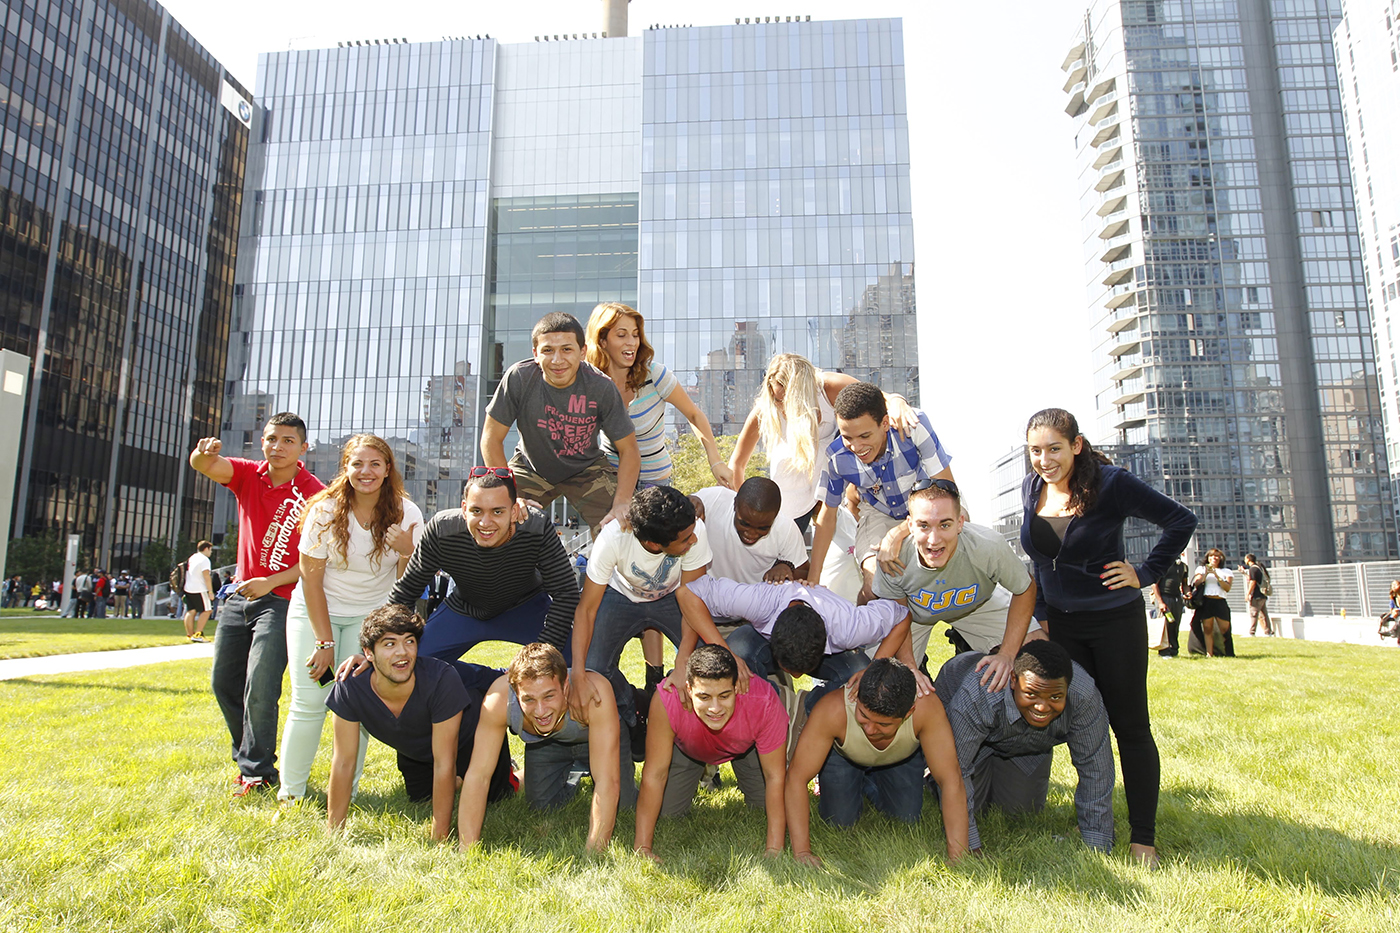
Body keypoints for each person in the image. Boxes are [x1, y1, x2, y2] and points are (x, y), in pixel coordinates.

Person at [1020, 408, 1197, 867]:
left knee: (1130, 728)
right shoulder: (1032, 487)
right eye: (1036, 450)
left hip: (1113, 622)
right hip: (1062, 627)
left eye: (1054, 448)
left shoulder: (1111, 483)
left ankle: (1144, 839)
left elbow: (1180, 521)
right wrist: (1041, 617)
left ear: (1076, 445)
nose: (1044, 459)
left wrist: (1143, 573)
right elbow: (1040, 564)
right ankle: (1093, 827)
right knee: (1083, 728)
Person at [277, 434, 423, 804]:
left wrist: (406, 552)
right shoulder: (324, 511)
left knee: (354, 705)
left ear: (388, 469)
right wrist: (323, 643)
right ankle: (290, 794)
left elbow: (407, 586)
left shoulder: (408, 514)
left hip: (366, 623)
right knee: (310, 701)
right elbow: (310, 579)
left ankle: (347, 792)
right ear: (346, 468)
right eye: (357, 463)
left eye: (375, 463)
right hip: (316, 616)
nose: (366, 471)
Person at [190, 413, 325, 796]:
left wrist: (270, 581)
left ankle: (257, 771)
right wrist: (203, 453)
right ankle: (247, 755)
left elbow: (316, 560)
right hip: (238, 597)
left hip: (281, 600)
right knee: (224, 683)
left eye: (287, 441)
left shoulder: (314, 493)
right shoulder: (250, 474)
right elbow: (205, 465)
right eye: (271, 439)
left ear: (303, 448)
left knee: (261, 686)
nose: (277, 447)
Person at [569, 485, 750, 733]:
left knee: (704, 664)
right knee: (595, 667)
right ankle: (634, 711)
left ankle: (686, 731)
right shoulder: (613, 537)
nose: (694, 539)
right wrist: (578, 675)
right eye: (685, 539)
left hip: (674, 598)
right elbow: (586, 610)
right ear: (654, 543)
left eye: (692, 533)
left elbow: (692, 599)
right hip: (622, 596)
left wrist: (682, 659)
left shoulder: (693, 528)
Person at [325, 605, 513, 839]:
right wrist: (334, 833)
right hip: (417, 750)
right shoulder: (351, 686)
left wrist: (439, 836)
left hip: (470, 741)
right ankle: (457, 782)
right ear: (368, 653)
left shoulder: (441, 678)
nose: (402, 652)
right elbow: (343, 762)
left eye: (409, 642)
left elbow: (445, 762)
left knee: (500, 794)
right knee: (420, 797)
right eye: (389, 644)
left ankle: (514, 772)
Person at [380, 467, 579, 664]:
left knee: (571, 664)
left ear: (514, 511)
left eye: (497, 512)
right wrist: (382, 645)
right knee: (413, 662)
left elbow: (566, 592)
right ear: (464, 509)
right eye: (477, 511)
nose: (485, 523)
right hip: (465, 609)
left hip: (526, 607)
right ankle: (484, 681)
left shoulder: (535, 527)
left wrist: (540, 659)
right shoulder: (443, 529)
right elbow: (406, 590)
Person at [933, 640, 1115, 854]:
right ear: (1013, 680)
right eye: (1031, 694)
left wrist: (1097, 843)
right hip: (970, 742)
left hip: (1030, 746)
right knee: (968, 807)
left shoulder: (1083, 696)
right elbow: (956, 769)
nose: (1041, 706)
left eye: (1055, 697)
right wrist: (969, 846)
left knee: (1019, 813)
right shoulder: (981, 691)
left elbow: (1096, 767)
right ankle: (930, 775)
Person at [785, 658, 969, 866]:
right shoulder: (832, 709)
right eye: (863, 716)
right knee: (839, 821)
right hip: (843, 755)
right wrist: (801, 852)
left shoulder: (926, 708)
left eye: (883, 724)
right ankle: (851, 775)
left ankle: (869, 779)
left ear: (908, 713)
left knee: (906, 818)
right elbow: (797, 778)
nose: (870, 730)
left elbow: (951, 780)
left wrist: (958, 856)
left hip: (900, 758)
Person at [872, 479, 1040, 691]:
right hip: (914, 617)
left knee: (1037, 650)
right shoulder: (895, 558)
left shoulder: (988, 546)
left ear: (960, 523)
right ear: (910, 525)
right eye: (924, 525)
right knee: (888, 684)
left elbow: (1025, 588)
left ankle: (966, 643)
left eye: (945, 525)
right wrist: (909, 666)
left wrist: (1007, 654)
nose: (934, 540)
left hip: (978, 605)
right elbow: (897, 614)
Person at [481, 311, 640, 535]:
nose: (557, 360)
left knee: (624, 526)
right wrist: (511, 496)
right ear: (536, 353)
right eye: (548, 350)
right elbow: (490, 439)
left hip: (586, 468)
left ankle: (602, 570)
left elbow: (629, 449)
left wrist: (622, 501)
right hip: (532, 467)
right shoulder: (519, 378)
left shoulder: (601, 387)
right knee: (499, 515)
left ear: (582, 352)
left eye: (567, 349)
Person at [461, 643, 627, 853]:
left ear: (565, 686)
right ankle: (562, 773)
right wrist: (466, 849)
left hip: (600, 741)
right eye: (529, 699)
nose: (540, 711)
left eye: (549, 696)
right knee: (542, 807)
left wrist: (594, 852)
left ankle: (585, 766)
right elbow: (478, 775)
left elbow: (607, 780)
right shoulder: (499, 699)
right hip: (547, 745)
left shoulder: (595, 692)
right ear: (515, 692)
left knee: (626, 803)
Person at [728, 353, 920, 532]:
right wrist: (742, 509)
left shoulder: (829, 387)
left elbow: (879, 400)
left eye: (788, 399)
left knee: (847, 544)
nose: (783, 406)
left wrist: (897, 401)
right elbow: (737, 464)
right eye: (778, 400)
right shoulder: (766, 409)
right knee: (783, 556)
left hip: (829, 480)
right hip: (791, 489)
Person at [634, 645, 787, 864]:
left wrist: (774, 848)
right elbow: (654, 775)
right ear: (688, 689)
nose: (715, 708)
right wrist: (643, 847)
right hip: (689, 750)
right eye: (704, 697)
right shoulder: (667, 699)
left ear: (736, 687)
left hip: (746, 749)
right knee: (667, 812)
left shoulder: (763, 700)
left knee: (765, 806)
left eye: (724, 695)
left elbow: (775, 776)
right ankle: (698, 771)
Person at [809, 382, 954, 602]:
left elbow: (947, 491)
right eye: (848, 437)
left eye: (865, 436)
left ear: (885, 423)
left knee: (958, 559)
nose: (857, 447)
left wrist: (898, 533)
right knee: (874, 585)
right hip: (879, 513)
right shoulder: (836, 458)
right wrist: (813, 579)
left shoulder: (913, 426)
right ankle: (865, 630)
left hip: (932, 506)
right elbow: (827, 517)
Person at [683, 574, 911, 709]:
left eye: (802, 670)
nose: (797, 677)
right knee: (738, 648)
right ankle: (763, 706)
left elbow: (902, 616)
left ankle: (813, 711)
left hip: (835, 638)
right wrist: (727, 654)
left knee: (860, 676)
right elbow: (686, 594)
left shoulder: (849, 626)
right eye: (789, 669)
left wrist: (874, 667)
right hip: (759, 638)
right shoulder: (759, 601)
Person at [585, 302, 735, 490]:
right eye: (622, 335)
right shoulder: (591, 383)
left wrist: (716, 462)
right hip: (610, 482)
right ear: (602, 341)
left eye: (635, 335)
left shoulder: (655, 375)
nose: (631, 342)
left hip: (654, 484)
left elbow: (694, 415)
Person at [689, 478, 809, 587]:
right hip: (704, 591)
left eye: (763, 528)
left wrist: (786, 567)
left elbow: (804, 571)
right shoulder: (713, 499)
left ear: (776, 516)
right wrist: (688, 503)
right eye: (744, 524)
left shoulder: (786, 529)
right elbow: (679, 506)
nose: (751, 534)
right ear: (735, 504)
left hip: (750, 601)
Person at [1193, 548, 1234, 657]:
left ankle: (1229, 652)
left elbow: (1227, 588)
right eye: (1211, 556)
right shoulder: (1201, 569)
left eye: (1216, 556)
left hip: (1220, 601)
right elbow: (1197, 583)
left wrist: (1216, 575)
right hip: (1207, 601)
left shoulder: (1226, 571)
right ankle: (1209, 653)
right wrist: (1206, 574)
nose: (1214, 558)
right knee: (1207, 628)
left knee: (1225, 628)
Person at [1152, 554, 1189, 658]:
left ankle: (1174, 649)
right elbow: (1154, 584)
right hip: (1164, 596)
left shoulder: (1183, 566)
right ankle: (1164, 651)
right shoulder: (1164, 565)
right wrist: (1160, 602)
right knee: (1165, 624)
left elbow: (1184, 583)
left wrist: (1187, 593)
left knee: (1175, 623)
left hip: (1177, 598)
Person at [183, 541, 215, 643]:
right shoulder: (204, 560)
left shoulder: (193, 557)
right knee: (207, 610)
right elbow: (206, 576)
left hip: (189, 587)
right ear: (206, 549)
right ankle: (198, 633)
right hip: (200, 588)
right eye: (210, 550)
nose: (211, 552)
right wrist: (210, 591)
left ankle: (190, 634)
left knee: (191, 611)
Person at [1243, 553, 1273, 637]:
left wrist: (1248, 593)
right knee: (1264, 614)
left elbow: (1253, 582)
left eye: (1245, 559)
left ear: (1248, 559)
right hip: (1263, 594)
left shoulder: (1252, 569)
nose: (1245, 561)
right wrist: (1243, 573)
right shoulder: (1259, 567)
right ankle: (1268, 632)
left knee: (1254, 614)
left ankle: (1252, 632)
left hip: (1256, 595)